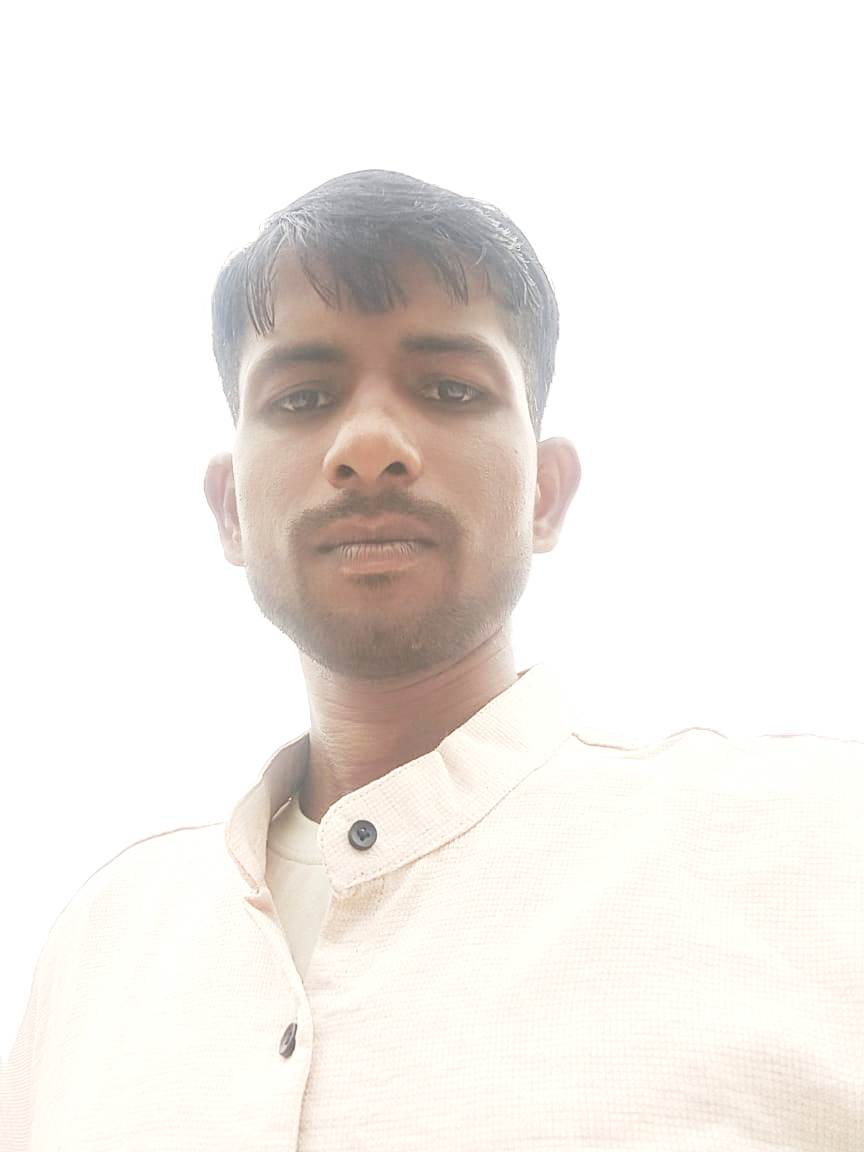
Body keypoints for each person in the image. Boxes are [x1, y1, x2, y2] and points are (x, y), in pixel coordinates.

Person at [2, 170, 862, 1151]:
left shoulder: (817, 852)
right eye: (303, 397)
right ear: (230, 509)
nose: (369, 445)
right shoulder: (100, 955)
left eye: (451, 389)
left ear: (544, 492)